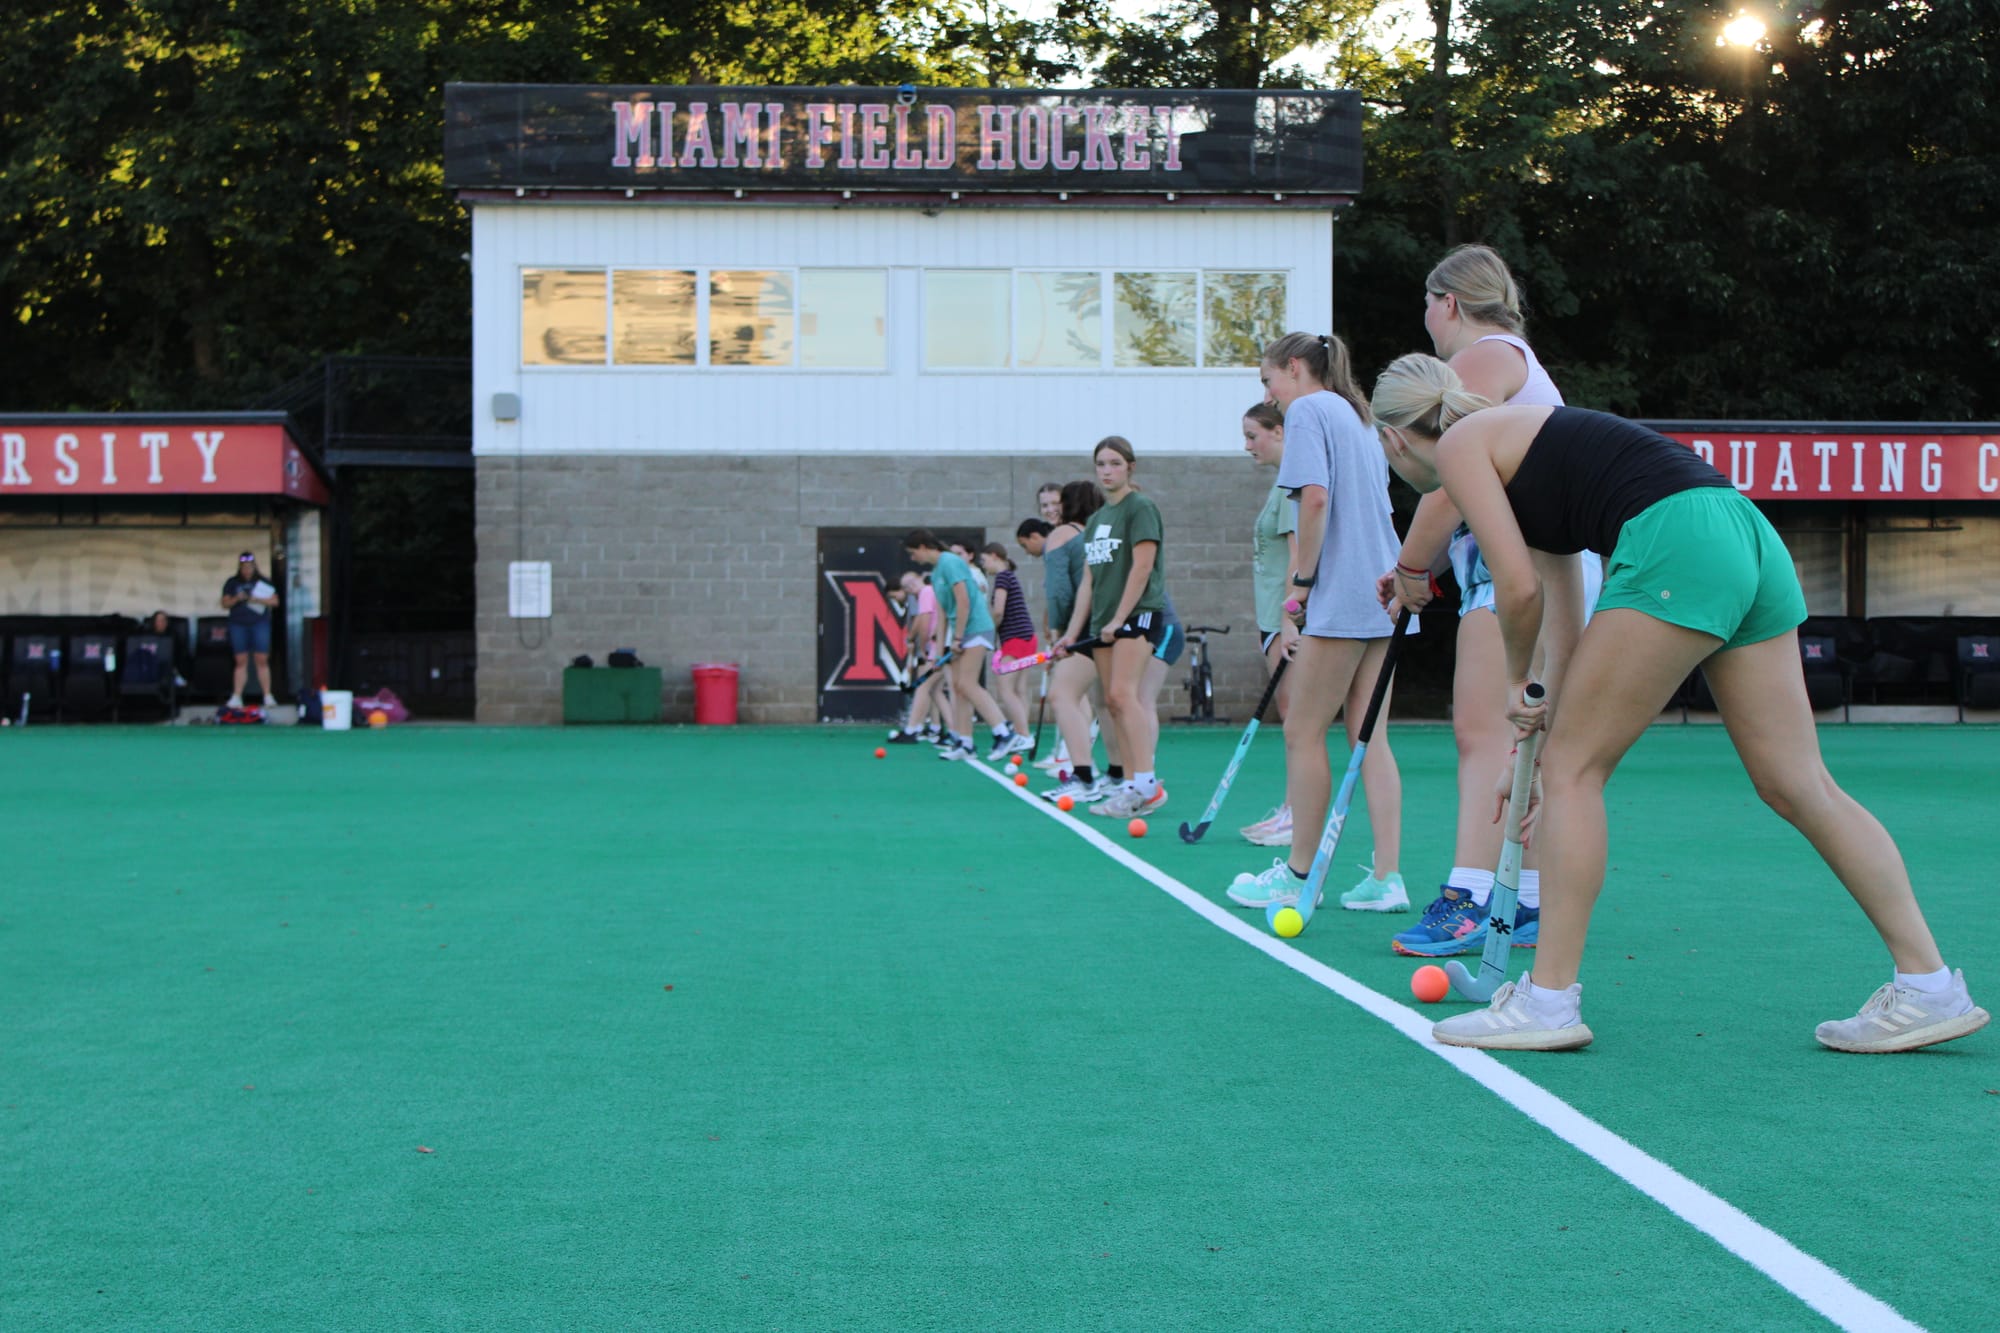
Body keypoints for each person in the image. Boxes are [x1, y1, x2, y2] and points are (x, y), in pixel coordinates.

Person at [1371, 353, 1988, 1053]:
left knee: (1575, 772)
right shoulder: (1522, 447)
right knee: (1796, 782)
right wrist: (1536, 728)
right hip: (1745, 536)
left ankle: (1546, 1003)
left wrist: (1517, 684)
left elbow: (1516, 592)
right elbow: (1565, 609)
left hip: (1678, 542)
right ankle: (1929, 983)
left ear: (1392, 438)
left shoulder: (1459, 447)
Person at [1376, 243, 1593, 947]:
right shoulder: (1517, 358)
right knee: (1511, 739)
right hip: (1530, 561)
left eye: (1427, 308)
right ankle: (1520, 895)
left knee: (1483, 732)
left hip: (1521, 568)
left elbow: (1448, 477)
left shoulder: (1480, 357)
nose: (1428, 323)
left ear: (1449, 304)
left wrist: (1410, 567)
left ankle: (1470, 893)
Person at [1227, 334, 1409, 914]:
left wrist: (1302, 584)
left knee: (1303, 730)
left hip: (1344, 594)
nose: (1268, 394)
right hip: (1383, 591)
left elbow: (1314, 500)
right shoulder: (1359, 417)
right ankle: (1387, 878)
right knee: (1369, 736)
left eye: (1267, 379)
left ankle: (1300, 874)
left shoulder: (1307, 409)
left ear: (1295, 368)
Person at [1058, 437, 1170, 820]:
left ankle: (1147, 785)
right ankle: (1130, 783)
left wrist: (1120, 617)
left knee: (1124, 696)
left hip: (1136, 614)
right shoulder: (1096, 520)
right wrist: (1072, 633)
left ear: (1130, 467)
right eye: (1101, 464)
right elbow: (1089, 581)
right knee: (1111, 703)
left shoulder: (1140, 508)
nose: (1107, 470)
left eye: (1114, 463)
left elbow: (1142, 567)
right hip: (1103, 621)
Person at [903, 529, 1025, 762]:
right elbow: (942, 610)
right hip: (959, 631)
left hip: (977, 627)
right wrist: (939, 651)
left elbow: (963, 601)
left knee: (967, 684)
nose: (913, 558)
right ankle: (965, 742)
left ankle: (1004, 731)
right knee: (958, 688)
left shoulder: (950, 562)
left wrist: (957, 638)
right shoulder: (937, 571)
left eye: (912, 553)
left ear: (922, 547)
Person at [1237, 400, 1300, 848]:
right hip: (1269, 619)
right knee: (1288, 716)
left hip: (1285, 620)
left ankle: (1298, 815)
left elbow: (1300, 556)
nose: (1247, 446)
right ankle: (1289, 807)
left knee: (1298, 719)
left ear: (1278, 432)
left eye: (1252, 436)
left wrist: (1288, 619)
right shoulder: (1279, 482)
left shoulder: (1294, 480)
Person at [1032, 486, 1111, 798]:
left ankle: (1084, 776)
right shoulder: (1098, 534)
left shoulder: (1061, 535)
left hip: (1086, 628)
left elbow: (1059, 592)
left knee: (1062, 694)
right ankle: (1121, 777)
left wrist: (1061, 634)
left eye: (1057, 502)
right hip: (1110, 625)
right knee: (1108, 703)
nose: (1052, 509)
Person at [979, 542, 1037, 739]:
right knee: (1019, 689)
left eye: (984, 560)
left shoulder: (1003, 577)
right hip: (1027, 636)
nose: (984, 565)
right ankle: (1024, 734)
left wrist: (988, 631)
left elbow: (998, 611)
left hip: (1015, 638)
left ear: (995, 556)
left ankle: (1022, 734)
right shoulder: (1010, 576)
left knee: (1005, 689)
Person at [887, 571, 944, 745]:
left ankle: (914, 728)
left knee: (924, 686)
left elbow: (921, 619)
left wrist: (914, 642)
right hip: (931, 647)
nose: (895, 599)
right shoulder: (923, 593)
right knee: (934, 689)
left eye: (894, 595)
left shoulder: (919, 594)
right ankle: (937, 728)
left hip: (929, 648)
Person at [219, 552, 277, 709]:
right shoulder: (232, 582)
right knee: (240, 660)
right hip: (238, 624)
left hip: (259, 623)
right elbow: (224, 603)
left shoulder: (263, 581)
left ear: (254, 567)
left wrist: (255, 599)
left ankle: (267, 695)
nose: (247, 570)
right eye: (244, 567)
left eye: (249, 567)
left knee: (261, 659)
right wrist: (238, 598)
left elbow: (275, 601)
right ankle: (237, 696)